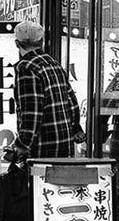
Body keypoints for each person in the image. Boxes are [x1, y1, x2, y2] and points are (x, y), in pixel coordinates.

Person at [6, 19, 85, 161]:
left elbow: (32, 113)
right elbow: (72, 102)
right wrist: (75, 129)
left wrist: (22, 145)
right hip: (64, 144)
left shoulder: (27, 69)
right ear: (41, 42)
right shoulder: (54, 64)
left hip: (42, 148)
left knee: (39, 183)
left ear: (17, 44)